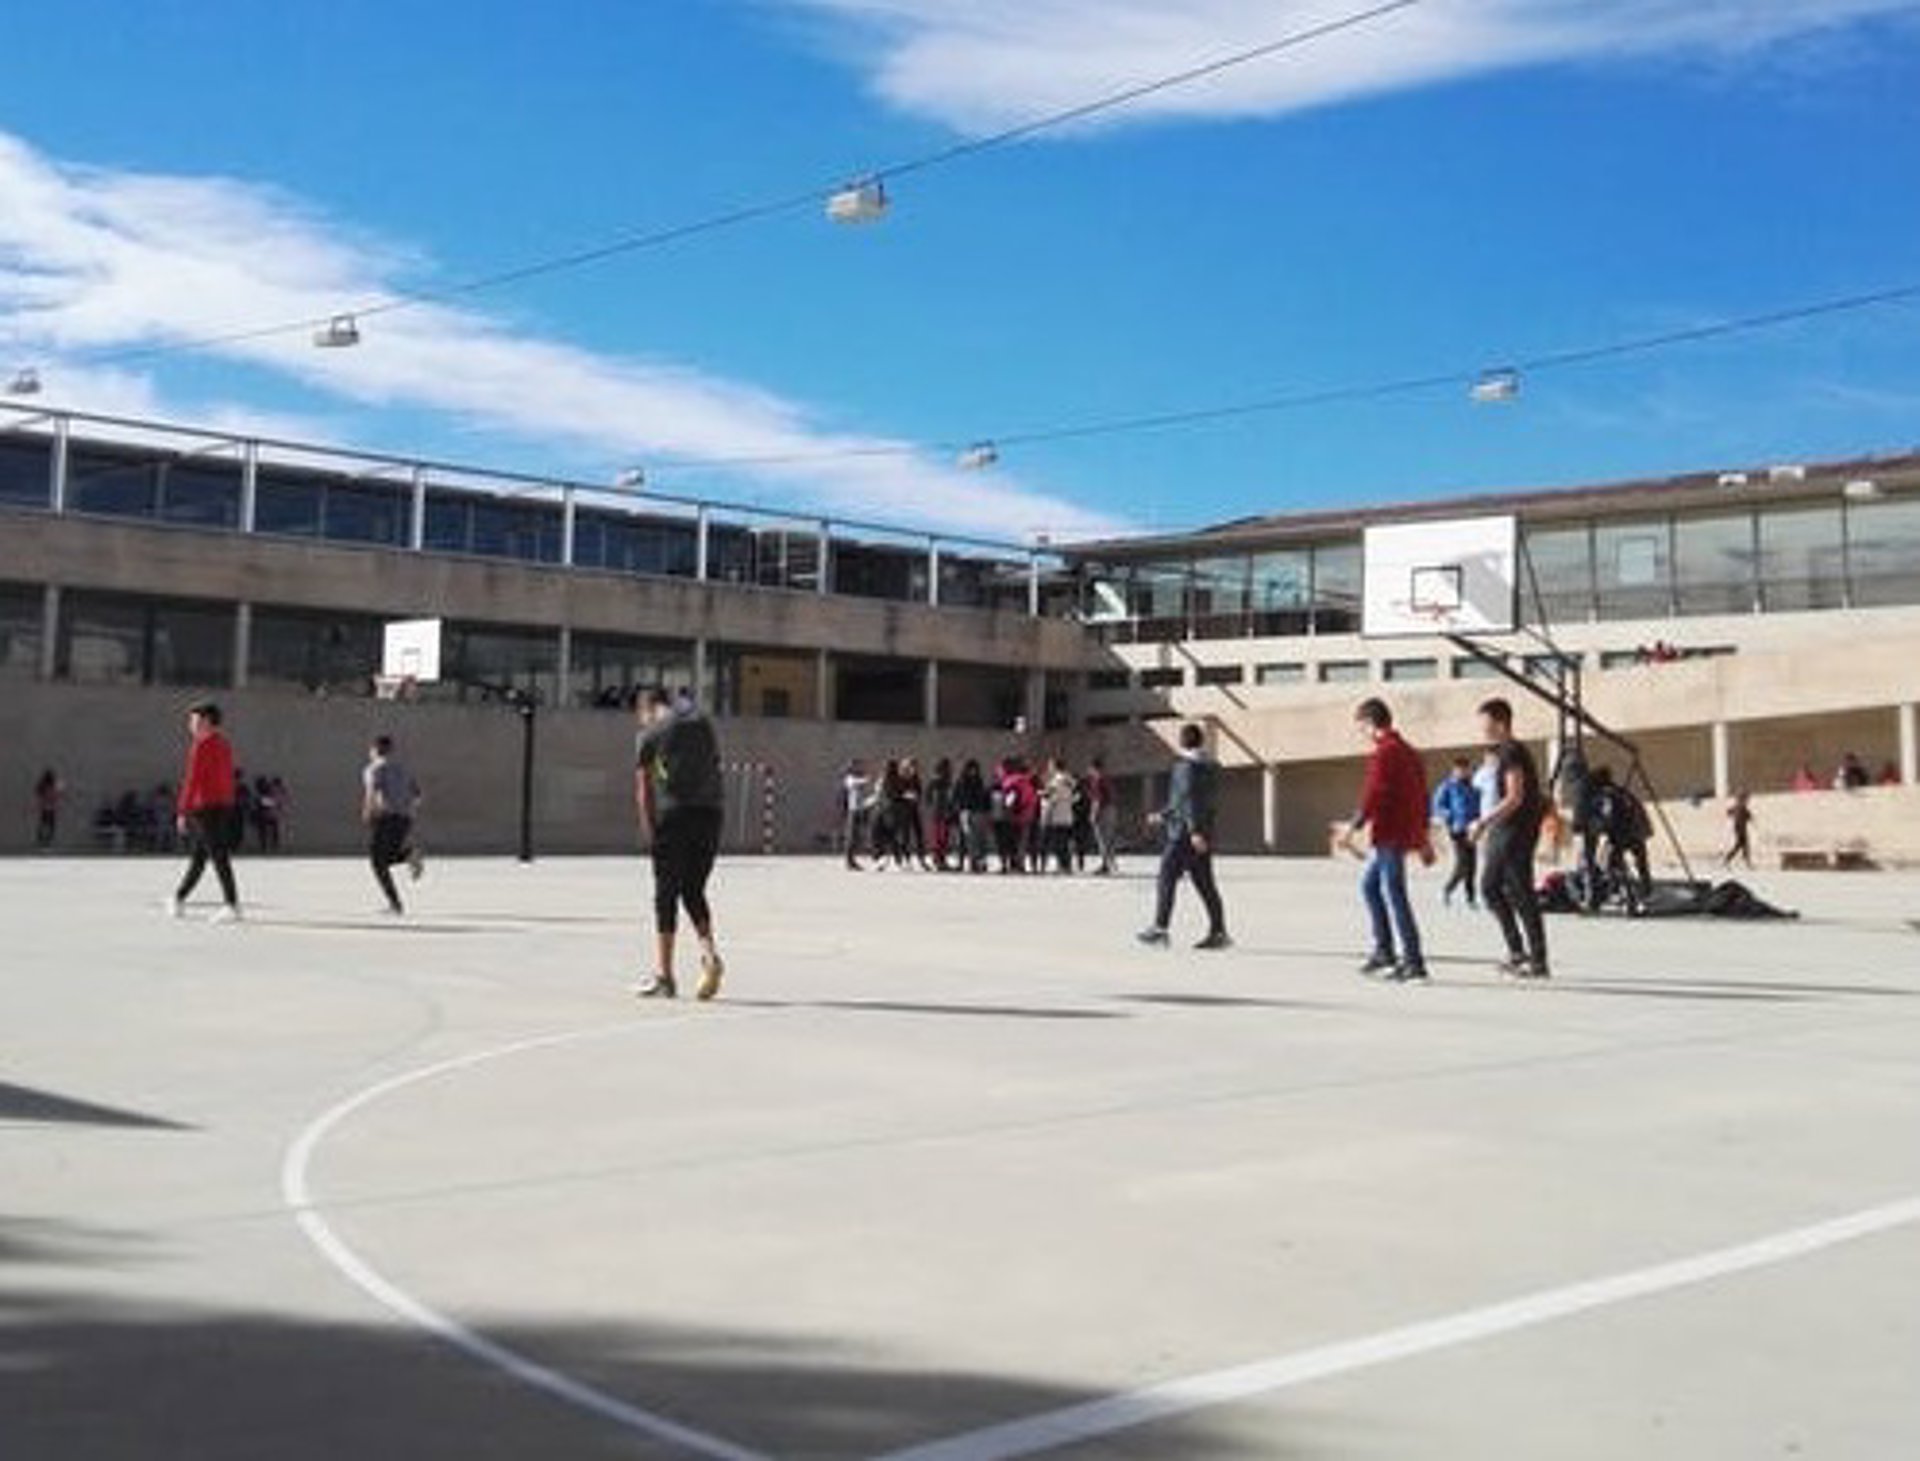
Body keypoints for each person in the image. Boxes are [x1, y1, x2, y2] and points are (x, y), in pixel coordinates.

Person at [633, 688, 726, 1001]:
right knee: (693, 889)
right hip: (711, 815)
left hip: (674, 816)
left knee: (666, 895)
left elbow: (643, 790)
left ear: (647, 708)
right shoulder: (702, 723)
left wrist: (650, 832)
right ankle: (709, 955)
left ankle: (665, 976)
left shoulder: (650, 733)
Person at [1343, 699, 1433, 982]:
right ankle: (1384, 950)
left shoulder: (1384, 753)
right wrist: (1423, 837)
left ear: (1371, 723)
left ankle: (1413, 961)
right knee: (1370, 886)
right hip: (1402, 831)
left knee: (1395, 893)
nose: (1362, 734)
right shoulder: (1409, 752)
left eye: (1362, 727)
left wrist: (1353, 827)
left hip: (1390, 832)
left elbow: (1374, 792)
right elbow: (1423, 796)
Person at [1469, 698, 1549, 979]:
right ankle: (1521, 953)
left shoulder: (1512, 751)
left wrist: (1483, 822)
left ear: (1501, 724)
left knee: (1515, 891)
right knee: (1496, 888)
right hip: (1507, 828)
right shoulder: (1505, 752)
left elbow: (1515, 797)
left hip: (1515, 829)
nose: (1483, 729)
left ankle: (1535, 959)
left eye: (1486, 723)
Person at [1138, 724, 1230, 950]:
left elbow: (1188, 800)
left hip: (1183, 835)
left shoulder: (1184, 766)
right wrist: (1164, 815)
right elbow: (1193, 801)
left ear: (1181, 741)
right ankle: (1219, 932)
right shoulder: (1211, 766)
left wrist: (1193, 830)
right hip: (1203, 833)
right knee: (1205, 884)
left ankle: (1160, 929)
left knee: (1166, 877)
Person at [167, 702, 242, 924]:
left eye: (195, 720)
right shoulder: (224, 744)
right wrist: (229, 804)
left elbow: (192, 780)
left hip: (206, 808)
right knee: (200, 857)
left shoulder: (201, 746)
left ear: (207, 721)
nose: (190, 725)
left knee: (218, 857)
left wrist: (182, 811)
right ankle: (179, 898)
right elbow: (228, 779)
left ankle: (231, 904)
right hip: (221, 807)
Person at [362, 736, 425, 916]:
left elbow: (372, 791)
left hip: (386, 817)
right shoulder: (403, 769)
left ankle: (395, 904)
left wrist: (367, 811)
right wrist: (407, 811)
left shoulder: (374, 768)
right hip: (405, 818)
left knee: (377, 862)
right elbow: (418, 795)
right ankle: (409, 854)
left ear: (375, 750)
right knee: (387, 857)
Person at [1591, 767, 1652, 914]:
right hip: (1637, 832)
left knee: (1609, 863)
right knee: (1641, 863)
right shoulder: (1623, 792)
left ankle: (1627, 894)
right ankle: (1645, 891)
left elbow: (1609, 817)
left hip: (1623, 834)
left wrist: (1600, 828)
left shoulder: (1607, 795)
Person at [1431, 757, 1481, 909]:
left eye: (1466, 769)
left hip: (1472, 829)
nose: (1464, 772)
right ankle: (1447, 889)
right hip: (1456, 829)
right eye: (1461, 770)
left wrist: (1479, 821)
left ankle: (1470, 897)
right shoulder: (1448, 786)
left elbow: (1478, 805)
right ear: (1454, 770)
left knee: (1472, 865)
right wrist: (1448, 815)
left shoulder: (1473, 786)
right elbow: (1437, 805)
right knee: (1462, 864)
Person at [953, 758, 992, 873]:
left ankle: (976, 862)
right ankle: (967, 861)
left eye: (975, 769)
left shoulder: (978, 781)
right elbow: (956, 797)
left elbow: (983, 796)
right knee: (967, 839)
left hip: (977, 812)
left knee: (977, 839)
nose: (973, 771)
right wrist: (959, 809)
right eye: (971, 769)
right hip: (965, 812)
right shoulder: (962, 782)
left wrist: (986, 809)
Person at [1042, 759, 1078, 874]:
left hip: (1057, 816)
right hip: (1068, 815)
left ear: (1055, 767)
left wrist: (1043, 796)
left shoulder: (1056, 781)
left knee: (1059, 843)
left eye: (1050, 766)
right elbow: (1076, 797)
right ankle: (1067, 865)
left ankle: (1062, 866)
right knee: (1065, 842)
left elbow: (1052, 797)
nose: (1049, 769)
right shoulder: (1070, 780)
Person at [1087, 757, 1118, 875]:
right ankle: (1111, 863)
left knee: (1102, 840)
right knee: (1109, 839)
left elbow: (1097, 799)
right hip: (1111, 809)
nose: (1089, 771)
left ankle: (1106, 865)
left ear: (1094, 768)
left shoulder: (1097, 780)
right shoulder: (1106, 778)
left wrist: (1093, 814)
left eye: (1090, 768)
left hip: (1103, 810)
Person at [840, 761, 873, 870]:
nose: (859, 769)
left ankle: (852, 860)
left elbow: (862, 797)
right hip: (853, 811)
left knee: (856, 836)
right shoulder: (849, 779)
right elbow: (855, 783)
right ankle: (849, 860)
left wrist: (870, 801)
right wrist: (866, 779)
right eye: (856, 766)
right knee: (851, 836)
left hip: (859, 810)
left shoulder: (857, 781)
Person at [926, 758, 956, 871]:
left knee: (942, 838)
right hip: (939, 814)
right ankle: (939, 860)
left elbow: (928, 798)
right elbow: (929, 797)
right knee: (939, 838)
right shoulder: (937, 781)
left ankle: (940, 860)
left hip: (942, 813)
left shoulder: (945, 782)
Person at [1724, 791, 1756, 869]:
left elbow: (1729, 812)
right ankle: (1729, 860)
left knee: (1742, 845)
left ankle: (1745, 861)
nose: (1748, 801)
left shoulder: (1739, 807)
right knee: (1742, 845)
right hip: (1740, 828)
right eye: (1747, 799)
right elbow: (1747, 816)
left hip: (1739, 828)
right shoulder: (1741, 807)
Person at [32, 768, 62, 850]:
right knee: (51, 824)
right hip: (51, 808)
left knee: (44, 822)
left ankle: (40, 837)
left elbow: (37, 792)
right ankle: (48, 838)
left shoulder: (42, 785)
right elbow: (58, 793)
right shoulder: (54, 785)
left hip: (45, 807)